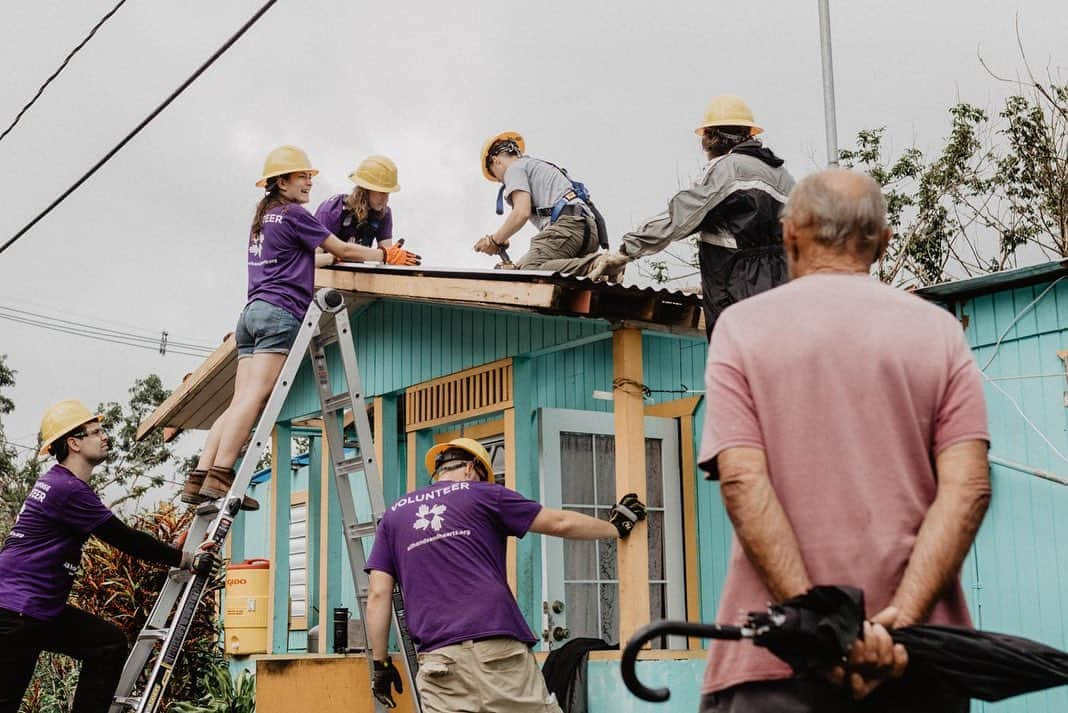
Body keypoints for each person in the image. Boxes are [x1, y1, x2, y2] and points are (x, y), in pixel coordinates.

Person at [697, 168, 991, 712]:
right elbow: (968, 487)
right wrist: (900, 616)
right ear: (883, 242)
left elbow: (741, 479)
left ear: (789, 234)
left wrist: (819, 630)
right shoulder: (939, 332)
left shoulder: (741, 328)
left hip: (776, 659)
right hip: (917, 656)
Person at [178, 146, 421, 508]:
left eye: (309, 176)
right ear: (281, 182)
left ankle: (200, 477)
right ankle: (221, 476)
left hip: (251, 313)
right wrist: (386, 256)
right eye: (302, 176)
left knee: (238, 399)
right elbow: (341, 249)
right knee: (255, 398)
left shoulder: (265, 217)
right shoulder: (296, 214)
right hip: (279, 311)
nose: (309, 182)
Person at [364, 438, 647, 712]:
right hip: (495, 652)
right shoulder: (484, 494)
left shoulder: (394, 516)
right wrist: (615, 528)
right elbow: (560, 523)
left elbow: (378, 595)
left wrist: (380, 666)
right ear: (472, 467)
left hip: (438, 662)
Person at [0, 400, 217, 713]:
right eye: (96, 431)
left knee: (106, 644)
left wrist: (172, 547)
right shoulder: (67, 489)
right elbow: (124, 538)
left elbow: (123, 535)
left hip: (35, 608)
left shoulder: (58, 484)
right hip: (18, 611)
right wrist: (186, 559)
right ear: (73, 443)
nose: (105, 437)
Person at [589, 95, 795, 337]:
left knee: (736, 364)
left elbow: (679, 217)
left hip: (737, 287)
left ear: (712, 138)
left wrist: (625, 252)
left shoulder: (727, 169)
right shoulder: (783, 176)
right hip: (784, 289)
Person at [474, 132, 606, 274]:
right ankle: (605, 270)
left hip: (568, 228)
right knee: (526, 269)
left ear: (496, 161)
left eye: (496, 176)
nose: (501, 181)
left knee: (531, 270)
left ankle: (595, 265)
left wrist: (494, 240)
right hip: (588, 232)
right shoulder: (535, 166)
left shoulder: (514, 169)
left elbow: (521, 213)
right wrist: (517, 267)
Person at [314, 155, 400, 267]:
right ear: (365, 190)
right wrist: (337, 256)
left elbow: (387, 256)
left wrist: (394, 257)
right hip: (324, 277)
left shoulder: (384, 213)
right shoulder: (332, 211)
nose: (386, 199)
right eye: (381, 192)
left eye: (388, 193)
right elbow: (312, 260)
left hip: (356, 277)